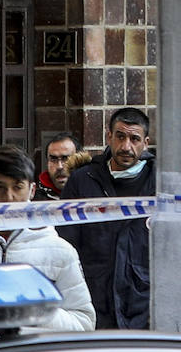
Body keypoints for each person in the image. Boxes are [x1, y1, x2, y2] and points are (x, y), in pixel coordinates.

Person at [0, 145, 94, 332]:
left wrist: (36, 311)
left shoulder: (60, 251)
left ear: (32, 190)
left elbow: (83, 323)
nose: (8, 198)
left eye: (18, 187)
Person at [59, 107, 155, 329]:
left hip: (144, 303)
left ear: (146, 142)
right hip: (93, 299)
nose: (126, 147)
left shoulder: (160, 183)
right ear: (109, 136)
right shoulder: (83, 181)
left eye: (134, 139)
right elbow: (65, 244)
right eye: (120, 137)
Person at [36, 133, 91, 201]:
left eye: (66, 158)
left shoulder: (94, 193)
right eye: (53, 159)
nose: (59, 166)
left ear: (79, 160)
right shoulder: (35, 202)